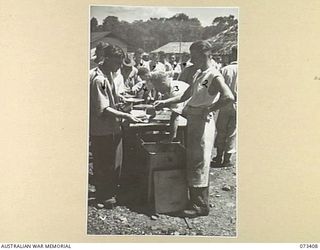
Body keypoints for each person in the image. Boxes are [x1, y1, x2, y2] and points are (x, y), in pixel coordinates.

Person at [154, 40, 234, 217]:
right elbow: (185, 95)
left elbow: (229, 97)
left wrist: (210, 109)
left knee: (200, 162)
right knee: (194, 161)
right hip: (194, 119)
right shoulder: (201, 74)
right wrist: (164, 102)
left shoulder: (214, 75)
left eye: (194, 56)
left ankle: (200, 206)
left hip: (203, 122)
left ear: (205, 54)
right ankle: (196, 201)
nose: (191, 60)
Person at [89, 45, 142, 209]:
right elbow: (103, 108)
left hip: (110, 127)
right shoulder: (99, 79)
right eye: (117, 63)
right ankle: (104, 196)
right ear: (108, 59)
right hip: (103, 128)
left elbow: (111, 96)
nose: (119, 67)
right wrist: (126, 115)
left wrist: (121, 98)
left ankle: (108, 193)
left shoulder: (108, 75)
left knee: (111, 162)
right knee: (104, 163)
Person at [139, 69, 190, 141]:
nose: (157, 90)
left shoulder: (175, 90)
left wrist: (171, 138)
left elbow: (175, 116)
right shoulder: (169, 87)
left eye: (157, 87)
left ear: (162, 83)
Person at [212, 46, 238, 167]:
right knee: (233, 132)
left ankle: (219, 156)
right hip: (238, 104)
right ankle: (227, 159)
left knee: (221, 130)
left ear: (233, 55)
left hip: (225, 103)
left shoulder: (225, 70)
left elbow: (217, 88)